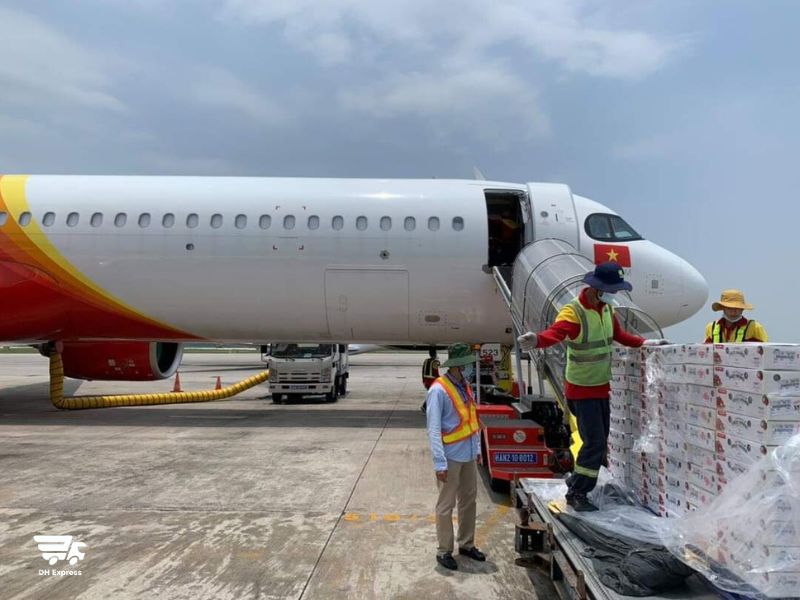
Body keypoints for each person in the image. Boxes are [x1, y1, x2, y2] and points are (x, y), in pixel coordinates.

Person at [517, 262, 669, 512]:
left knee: (599, 441)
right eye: (611, 289)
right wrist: (537, 340)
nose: (614, 294)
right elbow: (556, 333)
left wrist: (648, 342)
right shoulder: (573, 312)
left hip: (600, 388)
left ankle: (580, 485)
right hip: (581, 389)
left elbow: (620, 336)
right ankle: (577, 492)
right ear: (596, 288)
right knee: (594, 442)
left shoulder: (607, 310)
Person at [425, 343, 485, 570]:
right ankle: (444, 550)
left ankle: (467, 544)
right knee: (446, 505)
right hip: (450, 457)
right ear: (459, 365)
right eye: (468, 363)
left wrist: (477, 449)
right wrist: (439, 463)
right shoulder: (438, 390)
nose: (471, 366)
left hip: (468, 455)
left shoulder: (465, 386)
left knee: (469, 501)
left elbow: (472, 421)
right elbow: (433, 429)